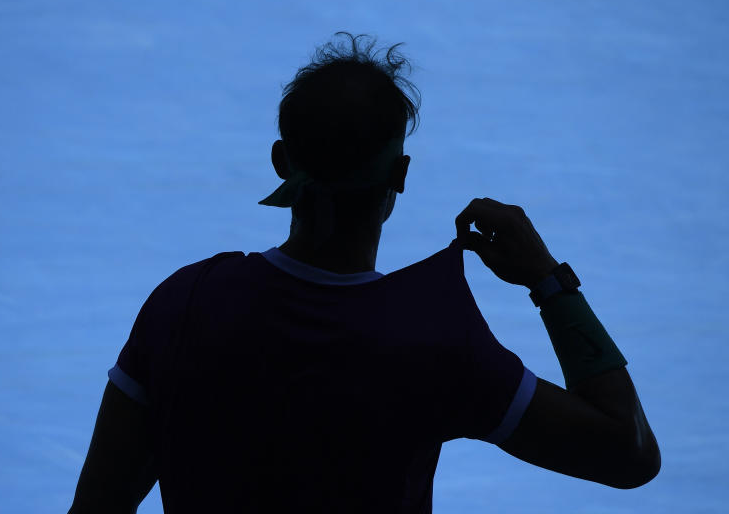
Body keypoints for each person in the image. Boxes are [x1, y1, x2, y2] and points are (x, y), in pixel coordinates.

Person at [68, 32, 660, 513]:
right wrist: (549, 282)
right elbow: (629, 454)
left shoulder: (183, 303)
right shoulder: (437, 341)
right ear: (400, 174)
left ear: (281, 161)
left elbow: (98, 506)